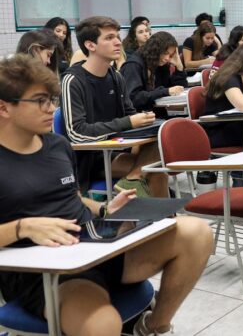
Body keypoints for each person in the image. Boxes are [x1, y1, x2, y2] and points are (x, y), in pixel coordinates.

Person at [0, 55, 214, 336]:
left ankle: (152, 326)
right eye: (40, 101)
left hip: (94, 245)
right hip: (45, 271)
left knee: (196, 233)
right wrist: (23, 227)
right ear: (4, 108)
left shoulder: (57, 146)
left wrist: (103, 210)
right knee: (103, 324)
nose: (51, 109)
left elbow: (72, 197)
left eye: (51, 100)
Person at [61, 16, 169, 198]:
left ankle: (137, 193)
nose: (118, 42)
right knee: (155, 170)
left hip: (123, 149)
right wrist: (128, 123)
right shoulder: (73, 80)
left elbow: (129, 114)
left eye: (117, 36)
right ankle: (162, 221)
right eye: (109, 38)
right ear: (90, 45)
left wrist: (144, 121)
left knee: (161, 138)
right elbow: (76, 133)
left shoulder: (116, 76)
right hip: (94, 159)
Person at [120, 32, 187, 112]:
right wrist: (165, 91)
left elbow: (179, 89)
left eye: (170, 55)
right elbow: (133, 98)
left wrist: (179, 67)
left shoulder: (159, 65)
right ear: (155, 50)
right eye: (165, 53)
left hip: (156, 114)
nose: (167, 58)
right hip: (137, 117)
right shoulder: (133, 65)